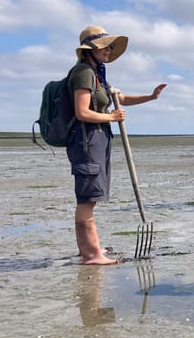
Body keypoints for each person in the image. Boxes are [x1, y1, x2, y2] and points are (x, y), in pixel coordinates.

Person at [67, 25, 166, 265]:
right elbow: (82, 112)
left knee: (92, 195)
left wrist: (150, 97)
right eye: (105, 46)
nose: (109, 50)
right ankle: (92, 255)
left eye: (111, 46)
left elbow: (118, 99)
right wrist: (111, 117)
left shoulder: (97, 74)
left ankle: (91, 249)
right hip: (86, 141)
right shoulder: (83, 73)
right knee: (87, 197)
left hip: (97, 139)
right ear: (89, 49)